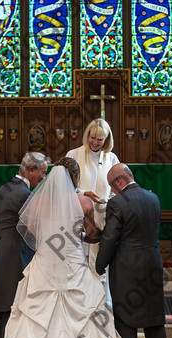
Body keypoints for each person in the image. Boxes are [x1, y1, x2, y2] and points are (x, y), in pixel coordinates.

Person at [0, 158, 144, 338]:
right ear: (75, 178)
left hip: (45, 263)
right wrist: (78, 234)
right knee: (82, 312)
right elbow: (92, 235)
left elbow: (33, 232)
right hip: (72, 263)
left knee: (36, 314)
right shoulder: (83, 202)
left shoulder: (36, 202)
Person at [96, 163, 172, 338]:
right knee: (154, 317)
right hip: (152, 264)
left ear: (119, 182)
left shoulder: (117, 203)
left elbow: (110, 239)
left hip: (126, 267)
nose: (111, 191)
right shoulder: (153, 198)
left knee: (125, 318)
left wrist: (100, 264)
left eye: (112, 186)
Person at [0, 152, 49, 338]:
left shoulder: (3, 189)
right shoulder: (24, 195)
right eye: (42, 172)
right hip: (16, 254)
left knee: (6, 309)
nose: (43, 177)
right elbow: (34, 230)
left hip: (1, 251)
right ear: (31, 169)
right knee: (16, 308)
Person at [67, 119, 119, 300]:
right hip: (79, 219)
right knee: (78, 266)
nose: (95, 143)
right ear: (87, 135)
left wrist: (108, 201)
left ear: (107, 140)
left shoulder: (111, 158)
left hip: (103, 220)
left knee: (100, 266)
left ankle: (101, 304)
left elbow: (117, 188)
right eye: (93, 138)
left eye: (100, 139)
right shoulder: (73, 154)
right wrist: (83, 193)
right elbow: (63, 186)